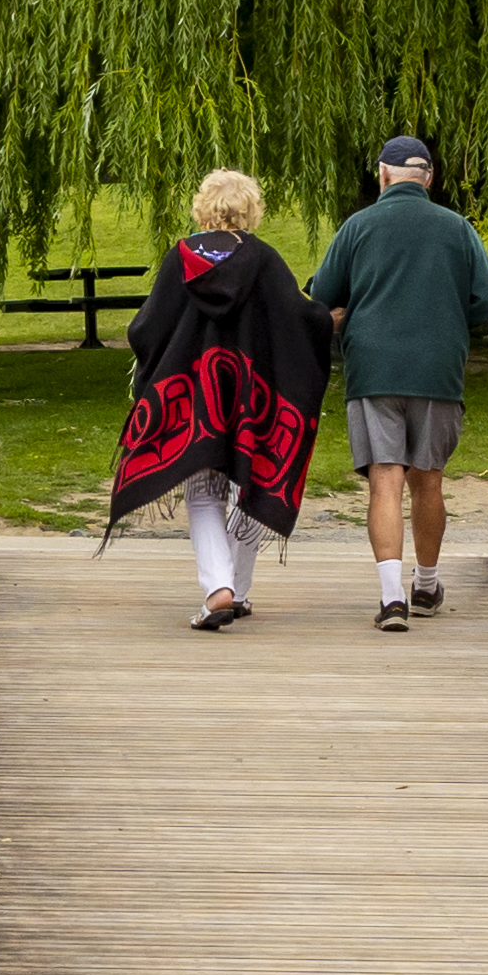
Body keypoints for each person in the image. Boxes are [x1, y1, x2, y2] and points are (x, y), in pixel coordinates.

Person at [300, 134, 488, 632]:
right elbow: (487, 299)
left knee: (385, 480)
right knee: (428, 478)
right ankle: (428, 585)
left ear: (383, 174)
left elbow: (321, 295)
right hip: (438, 370)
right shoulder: (457, 228)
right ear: (429, 178)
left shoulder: (358, 226)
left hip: (373, 370)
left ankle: (392, 599)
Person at [112, 170, 329, 631]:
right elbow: (297, 318)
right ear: (251, 210)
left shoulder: (180, 259)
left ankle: (219, 589)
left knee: (203, 492)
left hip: (197, 397)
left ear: (203, 207)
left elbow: (147, 328)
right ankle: (238, 590)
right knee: (251, 485)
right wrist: (329, 319)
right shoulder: (265, 262)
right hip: (253, 399)